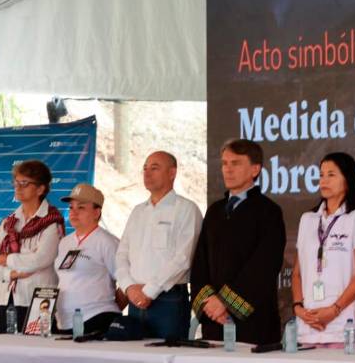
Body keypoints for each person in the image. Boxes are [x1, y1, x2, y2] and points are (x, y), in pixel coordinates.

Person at [191, 139, 286, 345]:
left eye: (236, 163)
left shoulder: (268, 211)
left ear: (255, 169)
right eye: (225, 163)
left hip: (252, 320)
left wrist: (225, 302)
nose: (228, 169)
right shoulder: (215, 211)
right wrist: (209, 303)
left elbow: (264, 266)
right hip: (214, 320)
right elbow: (200, 261)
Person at [292, 152, 355, 346]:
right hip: (308, 326)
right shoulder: (308, 219)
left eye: (331, 175)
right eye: (321, 175)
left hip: (343, 326)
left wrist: (334, 310)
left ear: (347, 179)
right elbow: (297, 273)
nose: (324, 180)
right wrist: (298, 307)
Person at [116, 151, 203, 339]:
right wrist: (129, 287)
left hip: (168, 300)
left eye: (154, 168)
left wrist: (149, 291)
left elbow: (183, 259)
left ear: (172, 173)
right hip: (135, 299)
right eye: (144, 169)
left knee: (168, 361)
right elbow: (122, 255)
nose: (147, 173)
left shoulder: (186, 209)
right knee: (136, 362)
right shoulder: (138, 211)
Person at [0, 159, 64, 333]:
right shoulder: (8, 223)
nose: (18, 187)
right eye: (16, 183)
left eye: (25, 183)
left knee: (37, 354)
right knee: (5, 355)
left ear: (41, 189)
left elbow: (40, 260)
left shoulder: (52, 222)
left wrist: (7, 259)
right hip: (5, 298)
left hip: (39, 298)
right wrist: (10, 273)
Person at [55, 184, 123, 335]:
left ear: (96, 212)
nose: (74, 212)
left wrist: (108, 308)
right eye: (71, 207)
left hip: (96, 318)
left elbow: (126, 282)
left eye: (81, 207)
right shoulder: (65, 242)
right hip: (64, 322)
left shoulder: (107, 242)